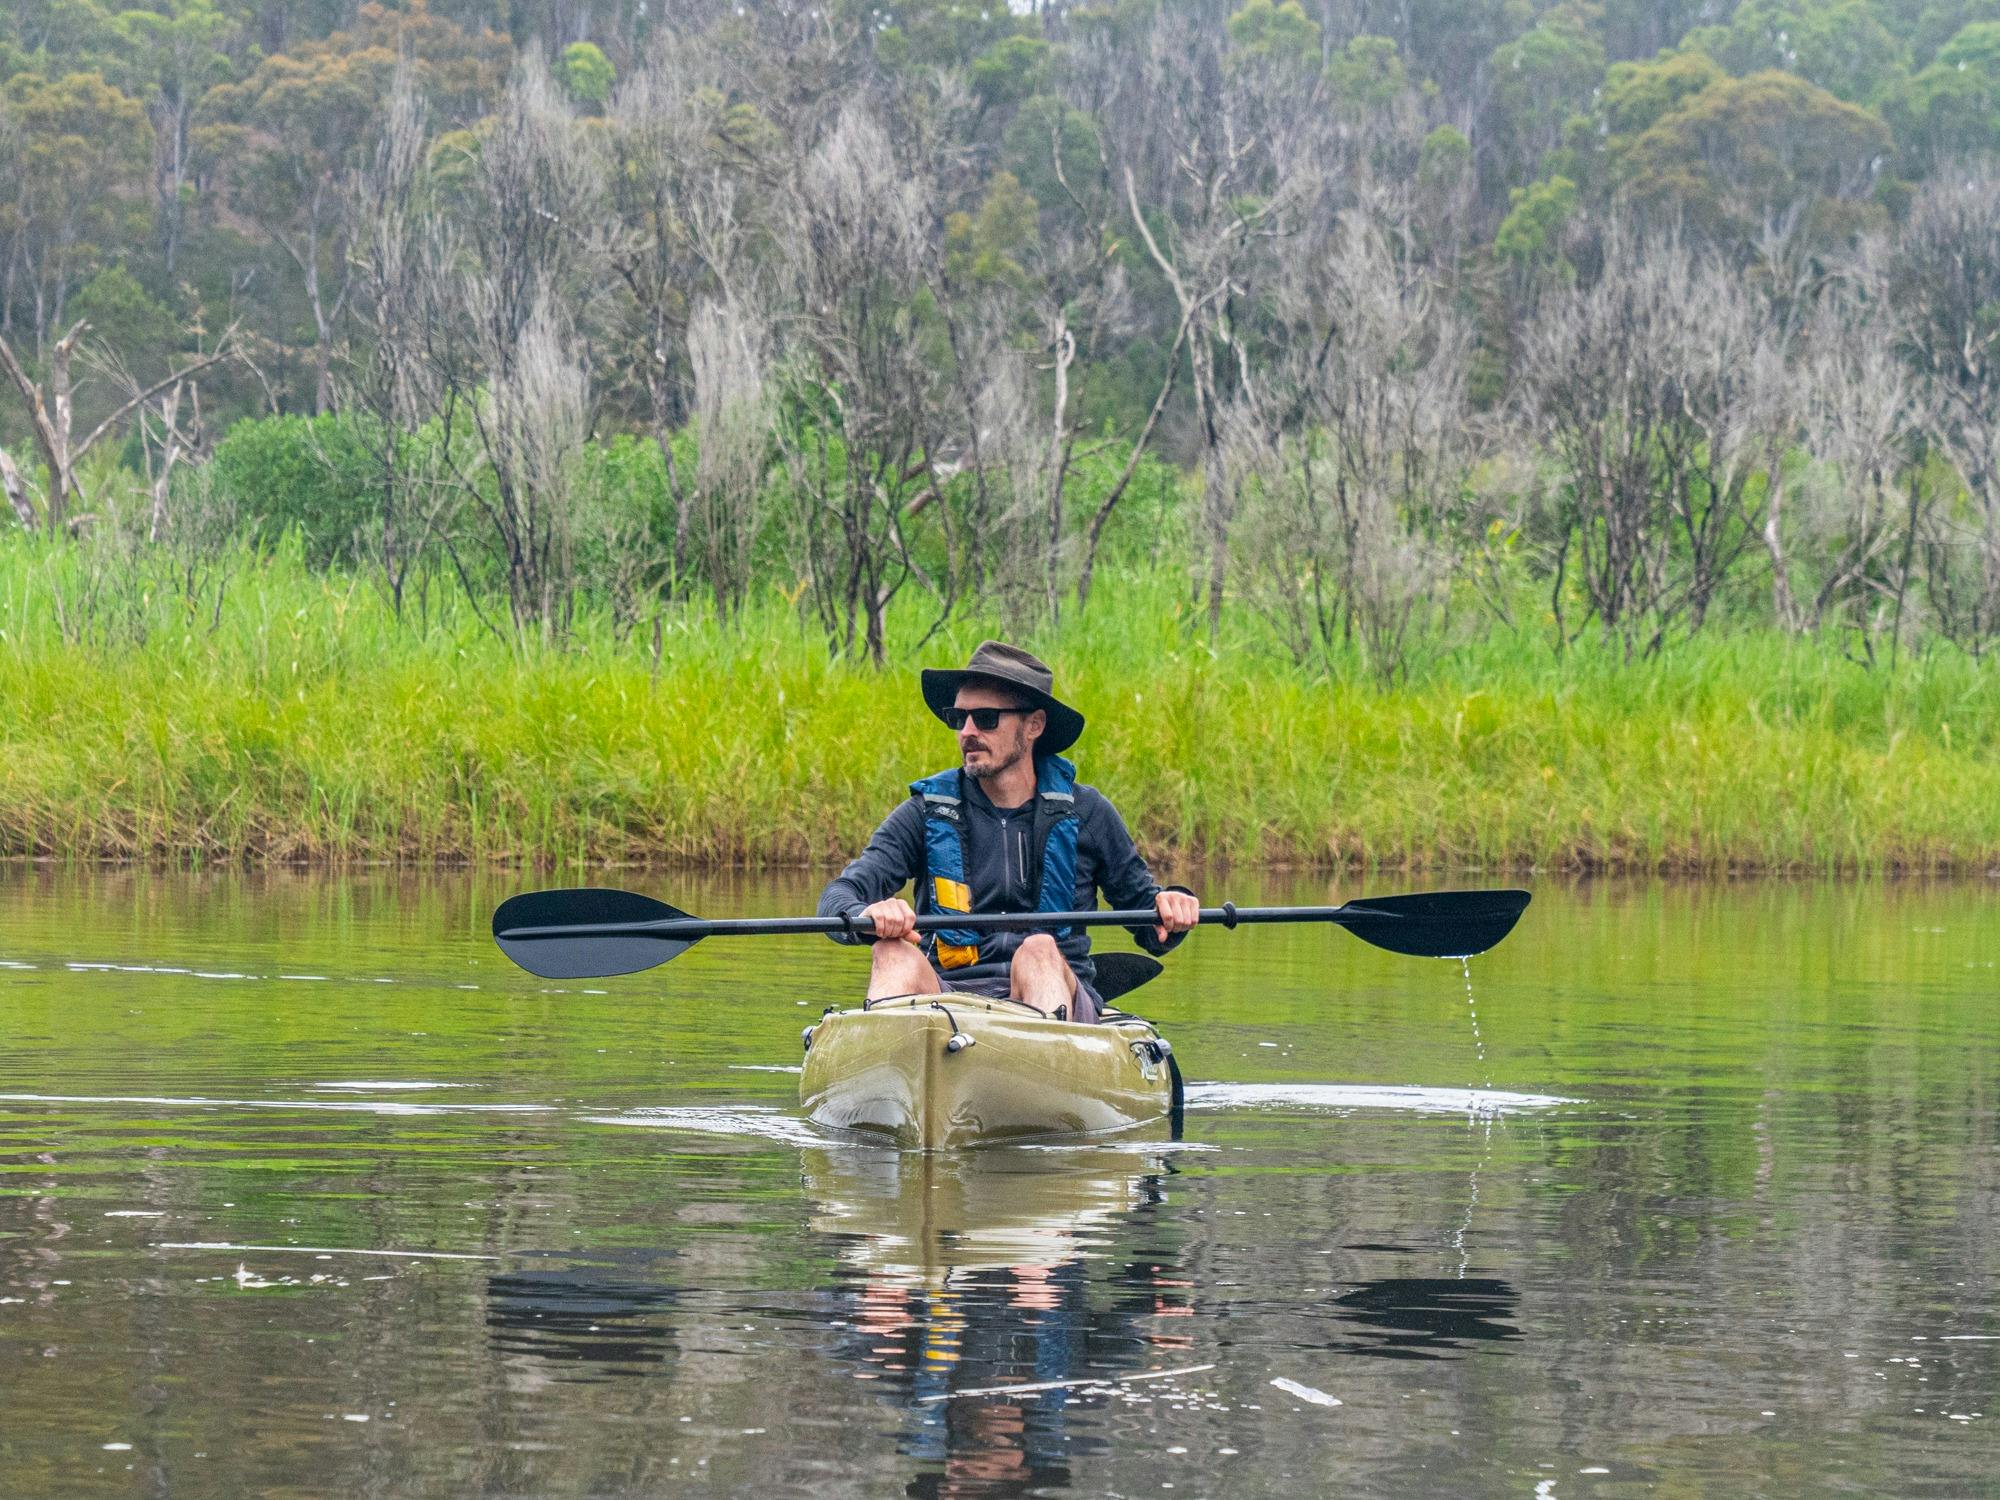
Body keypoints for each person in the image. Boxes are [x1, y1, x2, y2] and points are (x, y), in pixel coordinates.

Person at [817, 641, 1200, 1023]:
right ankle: (884, 1052)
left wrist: (1173, 907)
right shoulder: (924, 813)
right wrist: (867, 913)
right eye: (959, 718)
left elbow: (1153, 928)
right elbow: (839, 896)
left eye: (986, 718)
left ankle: (1046, 1050)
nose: (968, 732)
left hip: (1054, 996)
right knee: (892, 951)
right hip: (948, 1001)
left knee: (1037, 950)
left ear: (1034, 725)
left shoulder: (1087, 813)